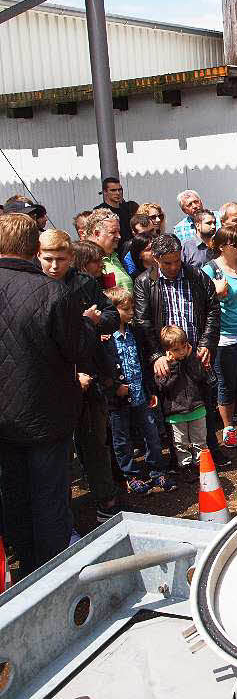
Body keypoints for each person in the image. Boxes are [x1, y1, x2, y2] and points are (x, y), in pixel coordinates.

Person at [0, 213, 85, 577]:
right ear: (36, 249)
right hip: (46, 413)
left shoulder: (52, 292)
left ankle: (25, 561)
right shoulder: (53, 292)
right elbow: (77, 350)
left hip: (7, 416)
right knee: (49, 496)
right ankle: (50, 574)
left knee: (15, 492)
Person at [134, 233, 229, 468]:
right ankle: (182, 459)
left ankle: (209, 451)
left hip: (195, 352)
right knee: (173, 407)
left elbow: (212, 311)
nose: (174, 266)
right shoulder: (145, 282)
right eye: (167, 262)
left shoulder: (196, 276)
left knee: (204, 403)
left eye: (177, 261)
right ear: (156, 259)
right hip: (167, 357)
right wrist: (156, 355)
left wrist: (207, 343)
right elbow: (143, 322)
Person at [43, 232, 120, 523]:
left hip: (92, 375)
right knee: (60, 453)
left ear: (70, 258)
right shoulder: (38, 287)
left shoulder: (84, 283)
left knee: (94, 442)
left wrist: (98, 319)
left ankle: (106, 500)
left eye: (60, 259)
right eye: (48, 259)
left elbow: (112, 314)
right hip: (56, 381)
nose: (53, 266)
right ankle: (63, 514)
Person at [102, 286, 175, 494]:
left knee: (151, 433)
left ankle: (157, 471)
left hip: (140, 393)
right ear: (113, 310)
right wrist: (115, 387)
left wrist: (149, 389)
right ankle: (131, 475)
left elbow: (143, 363)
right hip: (118, 400)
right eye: (126, 309)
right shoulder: (104, 338)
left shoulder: (135, 332)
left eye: (132, 307)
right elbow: (100, 368)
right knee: (122, 439)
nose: (132, 311)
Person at [201, 228, 237, 447]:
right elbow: (202, 305)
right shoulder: (210, 270)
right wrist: (216, 293)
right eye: (234, 244)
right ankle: (227, 427)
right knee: (226, 383)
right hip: (224, 336)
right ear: (221, 246)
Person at [153, 326, 211, 483]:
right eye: (176, 349)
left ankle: (202, 465)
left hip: (196, 407)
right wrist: (173, 366)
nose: (181, 352)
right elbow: (163, 386)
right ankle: (185, 467)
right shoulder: (164, 366)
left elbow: (200, 376)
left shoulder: (191, 358)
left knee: (200, 439)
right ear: (167, 351)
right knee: (181, 443)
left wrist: (191, 358)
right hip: (176, 412)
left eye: (184, 347)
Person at [86, 208, 132, 292]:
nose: (119, 236)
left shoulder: (115, 257)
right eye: (113, 232)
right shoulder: (87, 260)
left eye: (119, 232)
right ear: (97, 233)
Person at [94, 176, 133, 248]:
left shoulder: (126, 208)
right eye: (113, 190)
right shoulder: (100, 211)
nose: (118, 193)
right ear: (105, 192)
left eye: (120, 189)